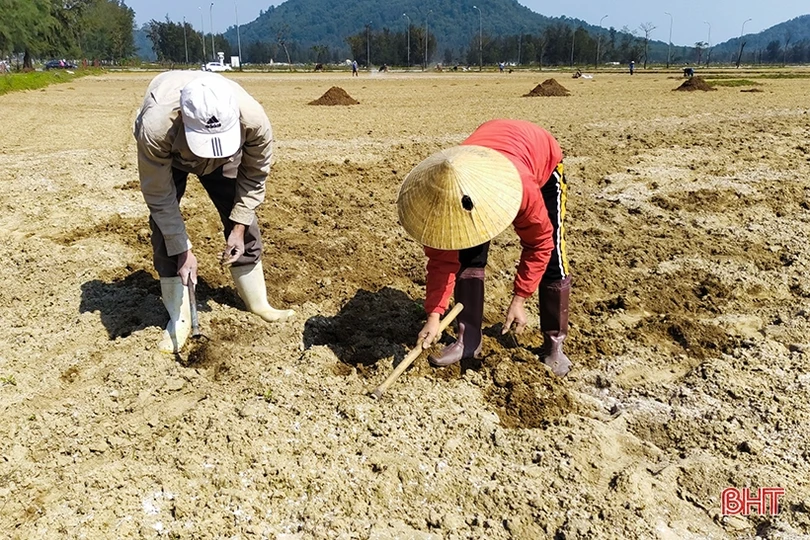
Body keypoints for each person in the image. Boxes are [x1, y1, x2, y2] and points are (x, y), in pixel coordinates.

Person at [134, 71, 294, 354]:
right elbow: (159, 197)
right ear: (183, 119)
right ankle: (179, 318)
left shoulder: (253, 120)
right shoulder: (156, 127)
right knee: (164, 230)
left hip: (231, 153)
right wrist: (182, 249)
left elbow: (255, 176)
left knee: (244, 217)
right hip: (173, 157)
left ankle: (258, 304)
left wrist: (239, 228)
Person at [396, 119, 572, 376]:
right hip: (485, 153)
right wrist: (434, 316)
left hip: (537, 157)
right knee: (467, 249)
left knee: (554, 256)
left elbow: (539, 243)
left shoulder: (523, 187)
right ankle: (468, 340)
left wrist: (520, 298)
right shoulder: (439, 200)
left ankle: (554, 344)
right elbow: (441, 261)